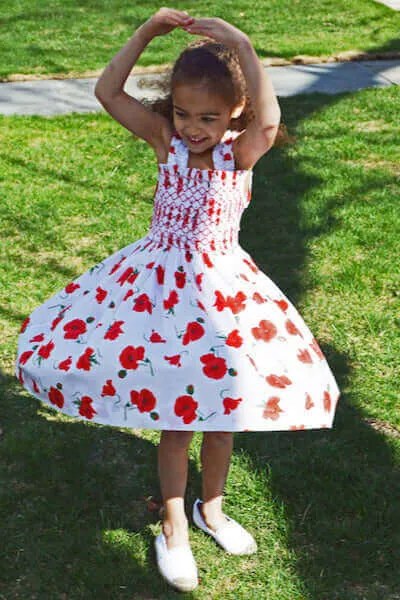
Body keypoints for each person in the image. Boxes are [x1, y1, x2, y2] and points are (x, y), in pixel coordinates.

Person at [14, 7, 341, 593]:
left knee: (223, 415)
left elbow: (269, 121)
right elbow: (107, 91)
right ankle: (173, 526)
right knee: (176, 420)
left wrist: (241, 43)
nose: (194, 127)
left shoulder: (239, 153)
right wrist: (145, 34)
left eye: (209, 116)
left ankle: (209, 509)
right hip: (158, 297)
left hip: (222, 297)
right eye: (185, 112)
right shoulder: (164, 141)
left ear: (234, 112)